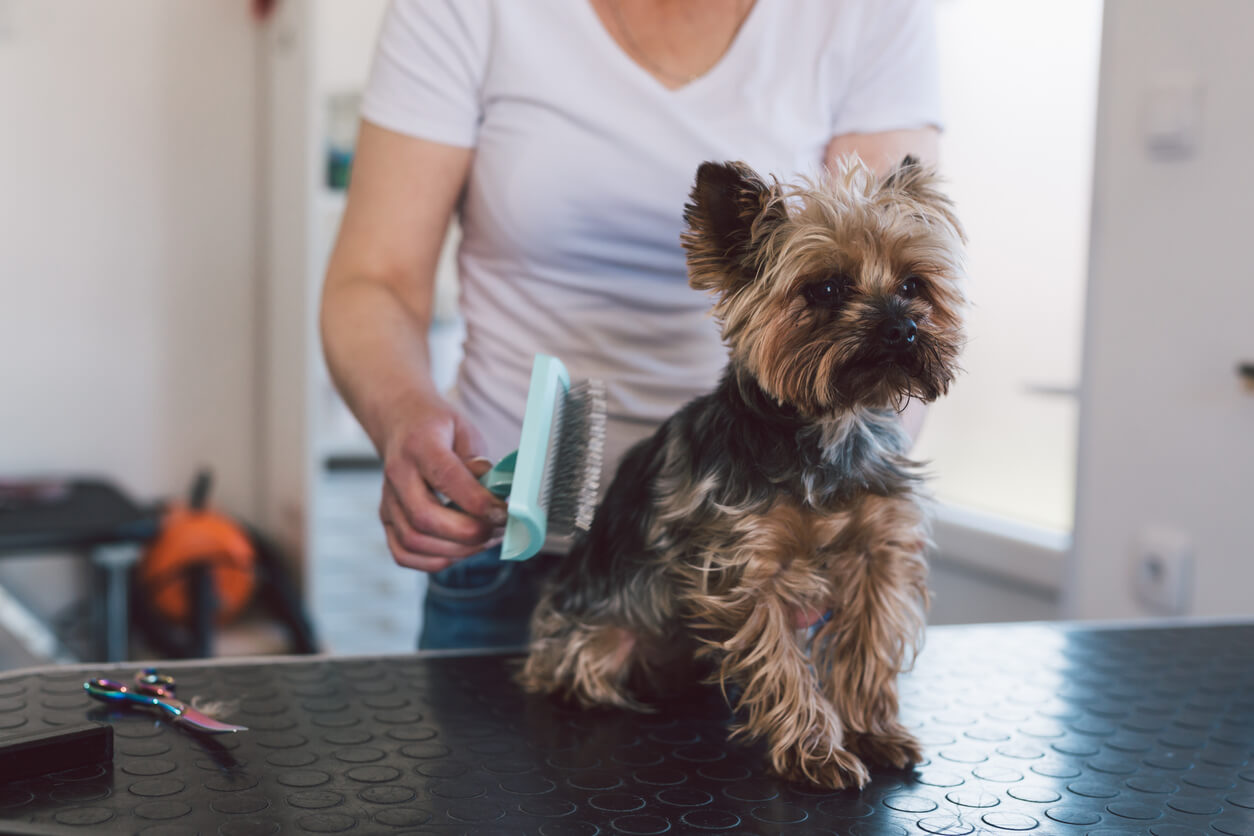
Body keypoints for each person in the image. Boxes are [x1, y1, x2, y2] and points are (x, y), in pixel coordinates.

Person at [319, 0, 943, 651]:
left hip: (777, 543)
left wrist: (846, 519)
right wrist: (404, 414)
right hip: (509, 539)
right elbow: (376, 278)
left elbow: (894, 287)